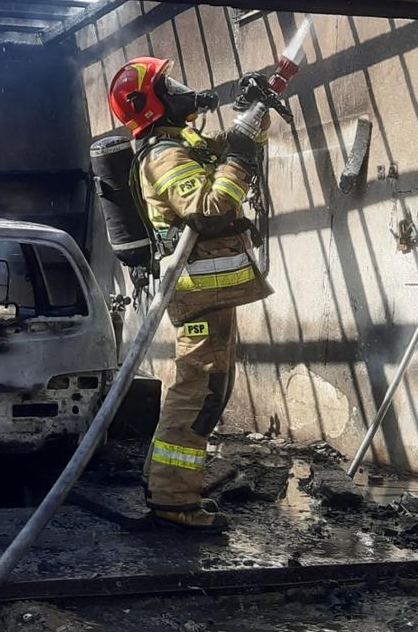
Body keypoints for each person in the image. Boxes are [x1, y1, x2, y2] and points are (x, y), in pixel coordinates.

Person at [106, 56, 273, 532]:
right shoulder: (163, 154)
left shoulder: (182, 144)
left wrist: (252, 114)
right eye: (170, 84)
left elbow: (226, 150)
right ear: (152, 103)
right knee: (194, 395)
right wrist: (240, 158)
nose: (183, 88)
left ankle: (171, 489)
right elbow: (209, 209)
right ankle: (173, 499)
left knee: (209, 393)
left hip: (213, 294)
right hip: (200, 294)